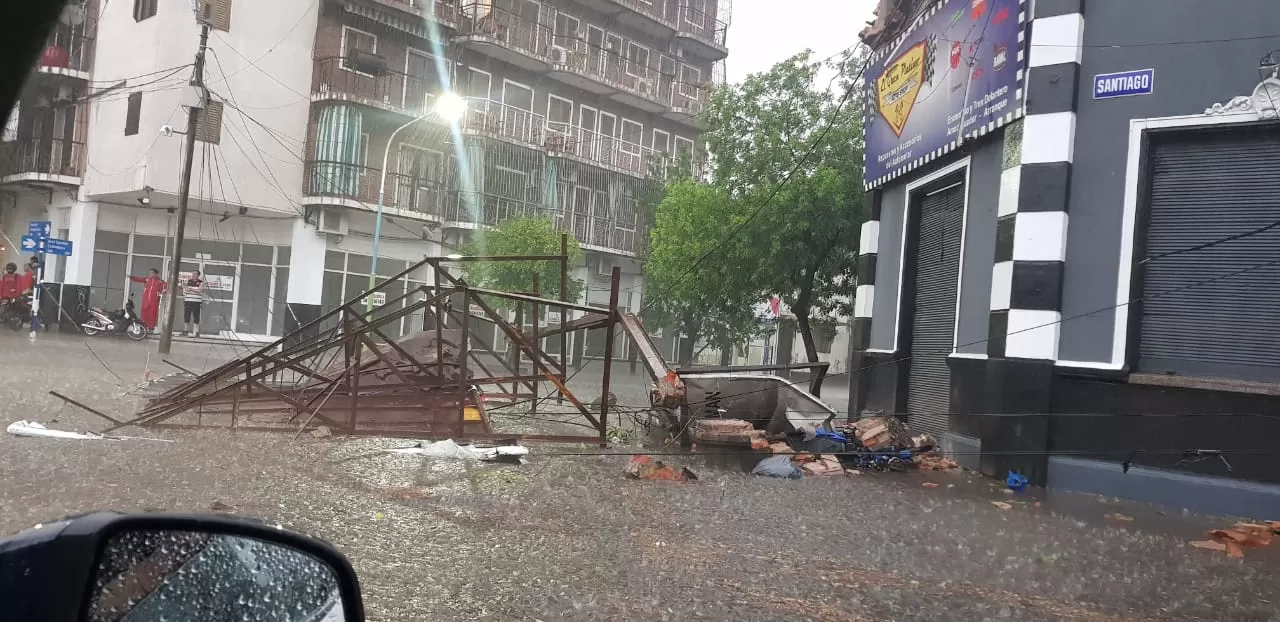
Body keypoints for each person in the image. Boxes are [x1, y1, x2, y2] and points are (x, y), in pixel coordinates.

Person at [180, 270, 206, 337]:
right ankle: (185, 331)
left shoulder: (201, 282)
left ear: (198, 275)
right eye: (193, 274)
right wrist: (192, 289)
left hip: (196, 302)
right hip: (188, 301)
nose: (193, 275)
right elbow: (184, 288)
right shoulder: (187, 281)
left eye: (195, 274)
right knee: (187, 316)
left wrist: (191, 289)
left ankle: (196, 332)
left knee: (196, 317)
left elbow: (199, 290)